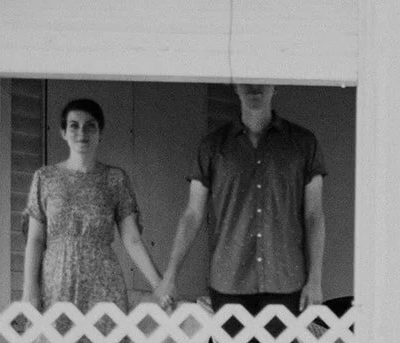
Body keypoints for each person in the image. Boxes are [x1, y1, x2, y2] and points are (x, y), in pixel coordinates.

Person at [155, 83, 326, 316]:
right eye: (247, 80)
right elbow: (192, 214)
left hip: (286, 281)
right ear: (236, 87)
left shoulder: (304, 143)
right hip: (228, 281)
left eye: (261, 79)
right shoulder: (213, 146)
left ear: (275, 85)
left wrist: (315, 280)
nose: (254, 87)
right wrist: (170, 276)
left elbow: (314, 215)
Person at [22, 98, 166, 310]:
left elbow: (132, 239)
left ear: (100, 133)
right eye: (74, 126)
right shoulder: (45, 178)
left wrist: (158, 284)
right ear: (63, 132)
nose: (82, 132)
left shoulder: (115, 179)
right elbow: (35, 239)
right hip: (56, 282)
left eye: (90, 126)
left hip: (104, 284)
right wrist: (30, 288)